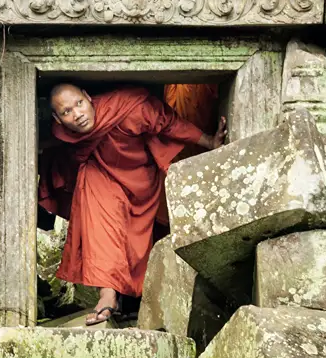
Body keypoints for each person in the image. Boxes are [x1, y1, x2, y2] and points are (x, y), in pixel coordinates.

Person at [38, 84, 227, 326]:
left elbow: (170, 124)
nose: (77, 114)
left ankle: (137, 299)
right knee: (101, 224)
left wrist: (209, 141)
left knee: (139, 239)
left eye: (79, 104)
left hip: (140, 177)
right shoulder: (64, 133)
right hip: (103, 175)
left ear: (88, 97)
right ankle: (107, 294)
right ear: (57, 118)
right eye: (66, 112)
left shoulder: (129, 106)